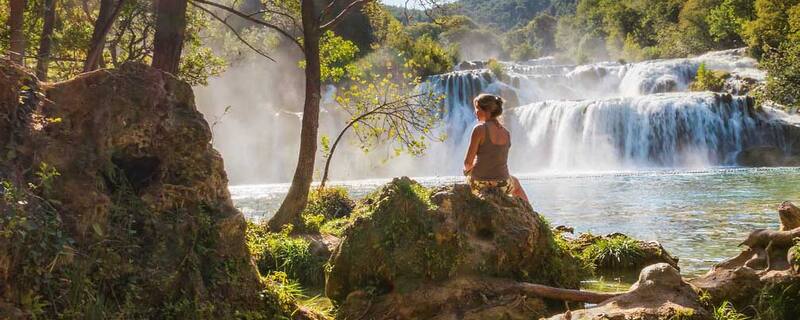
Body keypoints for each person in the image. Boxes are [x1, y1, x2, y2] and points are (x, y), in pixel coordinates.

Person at [463, 93, 529, 202]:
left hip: (479, 183)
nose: (475, 112)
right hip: (502, 183)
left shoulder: (479, 129)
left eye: (477, 109)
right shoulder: (506, 133)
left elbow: (467, 163)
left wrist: (467, 171)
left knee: (468, 175)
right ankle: (529, 211)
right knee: (516, 183)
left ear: (487, 111)